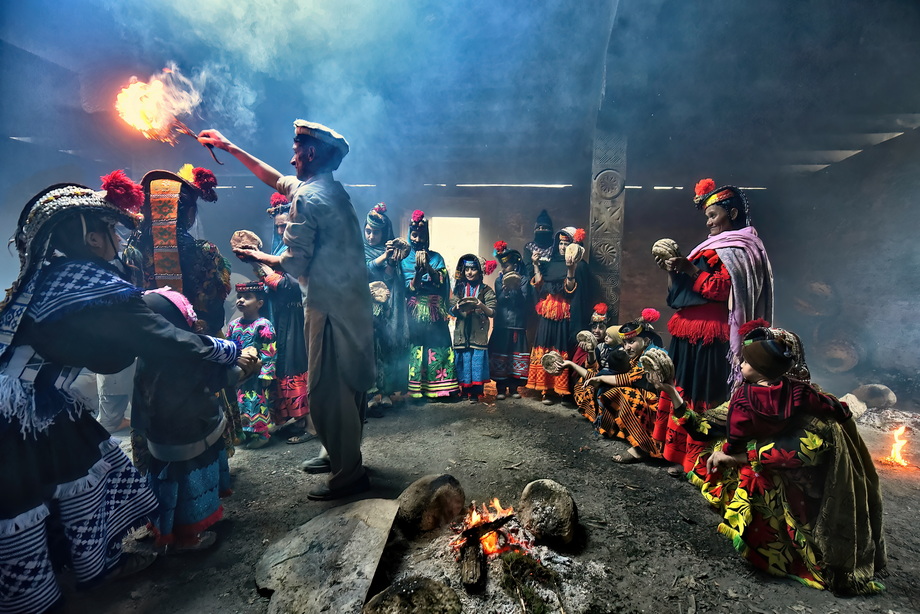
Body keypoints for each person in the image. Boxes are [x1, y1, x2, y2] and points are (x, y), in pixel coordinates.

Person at [0, 173, 248, 613]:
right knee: (31, 495)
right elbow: (164, 337)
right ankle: (39, 596)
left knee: (85, 470)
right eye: (110, 231)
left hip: (37, 400)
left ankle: (94, 567)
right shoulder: (89, 285)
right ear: (91, 238)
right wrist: (227, 351)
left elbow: (106, 356)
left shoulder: (56, 276)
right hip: (19, 410)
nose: (118, 239)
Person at [199, 120, 375, 501]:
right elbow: (275, 178)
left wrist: (257, 256)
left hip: (330, 308)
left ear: (310, 153)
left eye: (296, 151)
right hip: (350, 303)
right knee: (346, 385)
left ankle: (349, 474)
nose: (291, 159)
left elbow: (294, 262)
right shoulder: (328, 189)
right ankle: (337, 454)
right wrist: (229, 147)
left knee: (329, 390)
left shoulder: (309, 199)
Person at [652, 323, 887, 595]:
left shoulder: (812, 409)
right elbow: (705, 427)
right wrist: (672, 391)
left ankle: (785, 553)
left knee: (753, 474)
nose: (739, 363)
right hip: (760, 464)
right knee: (717, 451)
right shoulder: (755, 394)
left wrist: (739, 456)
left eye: (749, 357)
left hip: (801, 490)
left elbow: (804, 451)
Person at [654, 178, 773, 475]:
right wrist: (673, 271)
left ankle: (698, 460)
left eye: (712, 215)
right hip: (686, 331)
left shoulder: (742, 248)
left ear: (732, 214)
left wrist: (689, 268)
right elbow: (677, 296)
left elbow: (722, 290)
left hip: (712, 335)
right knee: (681, 387)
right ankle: (675, 452)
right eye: (707, 217)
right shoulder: (707, 248)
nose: (708, 223)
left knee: (702, 391)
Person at [133, 288, 258, 552]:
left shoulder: (147, 352)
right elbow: (222, 378)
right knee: (191, 485)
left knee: (164, 482)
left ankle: (161, 525)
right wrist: (248, 366)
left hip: (158, 433)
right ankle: (188, 538)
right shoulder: (189, 353)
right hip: (192, 430)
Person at [233, 193, 313, 444]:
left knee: (296, 366)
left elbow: (290, 286)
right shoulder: (279, 250)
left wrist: (260, 264)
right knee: (281, 366)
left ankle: (310, 425)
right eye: (277, 226)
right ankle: (294, 420)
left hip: (297, 316)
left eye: (285, 225)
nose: (280, 230)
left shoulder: (301, 249)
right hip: (279, 315)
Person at [525, 227, 591, 405]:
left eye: (566, 244)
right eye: (560, 243)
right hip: (547, 313)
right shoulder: (550, 263)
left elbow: (570, 290)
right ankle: (546, 389)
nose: (562, 247)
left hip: (565, 314)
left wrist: (570, 269)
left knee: (561, 348)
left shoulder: (580, 266)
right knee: (545, 346)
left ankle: (562, 390)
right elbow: (539, 286)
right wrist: (535, 264)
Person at [400, 210, 459, 400]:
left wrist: (429, 268)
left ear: (427, 236)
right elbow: (408, 288)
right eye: (414, 235)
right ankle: (416, 388)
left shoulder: (436, 257)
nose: (418, 239)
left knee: (438, 343)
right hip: (415, 312)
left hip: (435, 311)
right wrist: (418, 273)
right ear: (409, 235)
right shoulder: (404, 260)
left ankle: (441, 387)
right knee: (417, 345)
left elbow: (442, 281)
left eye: (422, 235)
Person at [363, 202, 409, 413]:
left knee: (388, 344)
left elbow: (390, 279)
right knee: (371, 348)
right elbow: (364, 272)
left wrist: (391, 260)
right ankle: (372, 393)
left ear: (384, 233)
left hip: (388, 306)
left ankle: (388, 391)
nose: (371, 236)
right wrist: (384, 256)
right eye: (368, 231)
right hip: (366, 305)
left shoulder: (393, 253)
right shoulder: (360, 250)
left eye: (376, 232)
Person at [226, 282, 277, 448]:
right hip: (239, 373)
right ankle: (245, 431)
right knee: (240, 402)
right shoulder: (233, 325)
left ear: (259, 303)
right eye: (239, 296)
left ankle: (262, 434)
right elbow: (229, 346)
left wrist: (267, 373)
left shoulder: (263, 324)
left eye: (247, 297)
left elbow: (269, 350)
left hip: (256, 373)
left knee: (256, 402)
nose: (241, 300)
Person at [449, 255, 497, 403]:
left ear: (480, 271)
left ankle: (475, 393)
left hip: (478, 334)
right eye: (467, 269)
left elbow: (492, 312)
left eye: (473, 269)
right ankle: (464, 391)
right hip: (462, 334)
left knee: (476, 362)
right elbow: (451, 309)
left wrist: (480, 305)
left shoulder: (486, 290)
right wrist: (457, 307)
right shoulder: (459, 289)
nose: (469, 272)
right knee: (463, 360)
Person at [488, 241, 531, 400]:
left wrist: (516, 288)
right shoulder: (499, 281)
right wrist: (506, 290)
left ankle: (514, 388)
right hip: (502, 325)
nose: (504, 268)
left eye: (506, 266)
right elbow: (499, 301)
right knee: (501, 355)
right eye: (502, 266)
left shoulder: (524, 280)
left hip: (517, 325)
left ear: (515, 265)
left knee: (514, 356)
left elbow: (524, 302)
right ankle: (500, 388)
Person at [522, 209, 555, 281]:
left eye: (544, 228)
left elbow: (557, 268)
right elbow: (527, 269)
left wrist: (538, 264)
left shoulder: (556, 246)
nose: (541, 230)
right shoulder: (529, 247)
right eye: (538, 228)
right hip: (533, 282)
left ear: (550, 230)